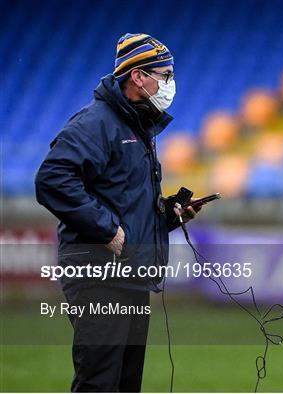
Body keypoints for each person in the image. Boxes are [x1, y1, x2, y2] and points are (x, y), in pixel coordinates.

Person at [35, 33, 199, 392]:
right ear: (138, 76)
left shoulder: (136, 126)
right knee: (100, 381)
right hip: (98, 276)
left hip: (130, 275)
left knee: (125, 383)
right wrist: (107, 229)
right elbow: (51, 179)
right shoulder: (97, 122)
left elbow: (127, 205)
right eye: (165, 74)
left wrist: (172, 215)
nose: (171, 83)